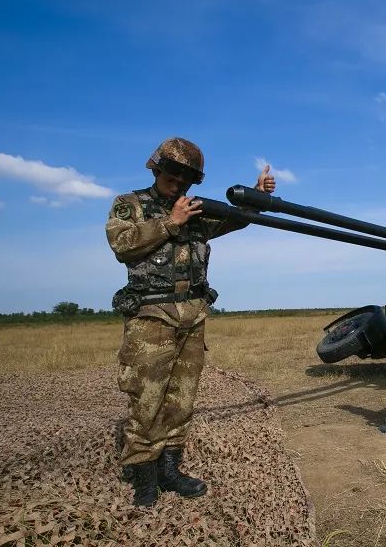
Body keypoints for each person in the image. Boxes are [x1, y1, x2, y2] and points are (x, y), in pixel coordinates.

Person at [105, 137, 275, 507]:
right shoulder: (130, 204)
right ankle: (143, 477)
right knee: (146, 400)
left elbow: (236, 221)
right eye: (172, 175)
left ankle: (170, 469)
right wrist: (169, 222)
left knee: (181, 400)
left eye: (186, 179)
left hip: (193, 316)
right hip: (151, 318)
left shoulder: (197, 210)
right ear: (157, 168)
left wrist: (258, 198)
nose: (178, 183)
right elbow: (123, 246)